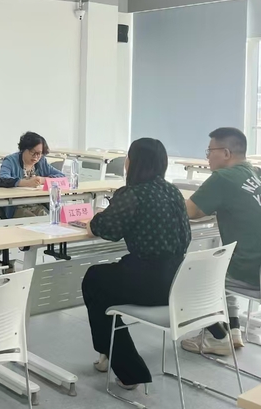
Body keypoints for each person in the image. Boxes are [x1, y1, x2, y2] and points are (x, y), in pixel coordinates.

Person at [81, 138, 191, 389]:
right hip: (177, 279)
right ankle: (111, 355)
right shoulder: (172, 191)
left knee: (94, 279)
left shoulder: (132, 194)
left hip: (149, 282)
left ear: (132, 162)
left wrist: (93, 220)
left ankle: (127, 368)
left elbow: (104, 228)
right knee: (105, 284)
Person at [181, 127, 261, 356]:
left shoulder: (224, 178)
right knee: (224, 258)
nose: (207, 157)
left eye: (209, 151)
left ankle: (216, 337)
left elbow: (190, 211)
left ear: (225, 153)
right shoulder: (260, 173)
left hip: (254, 273)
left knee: (192, 271)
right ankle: (233, 330)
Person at [0, 131, 64, 218]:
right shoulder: (10, 160)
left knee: (50, 218)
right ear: (23, 149)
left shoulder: (41, 162)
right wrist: (26, 183)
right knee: (33, 220)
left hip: (37, 204)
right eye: (32, 152)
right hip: (16, 206)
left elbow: (62, 177)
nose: (36, 156)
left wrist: (42, 180)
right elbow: (2, 179)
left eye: (39, 153)